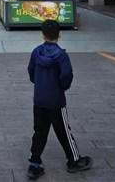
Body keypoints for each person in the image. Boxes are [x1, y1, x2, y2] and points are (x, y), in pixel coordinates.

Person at [27, 20, 92, 179]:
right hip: (56, 100)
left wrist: (39, 84)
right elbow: (66, 75)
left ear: (43, 35)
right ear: (60, 34)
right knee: (63, 131)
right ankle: (74, 160)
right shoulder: (61, 55)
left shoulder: (36, 52)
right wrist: (62, 87)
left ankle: (34, 164)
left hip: (39, 100)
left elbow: (31, 71)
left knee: (39, 132)